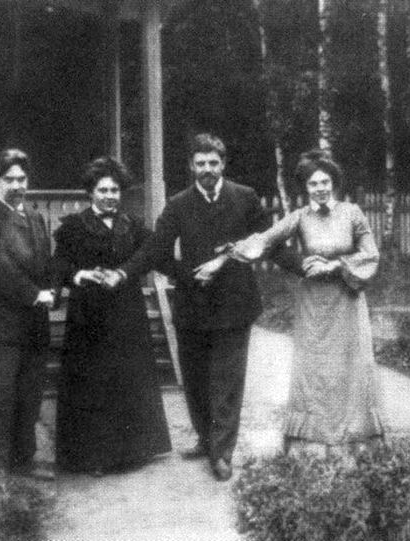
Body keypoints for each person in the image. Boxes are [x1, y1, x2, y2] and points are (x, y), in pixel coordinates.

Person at [106, 133, 289, 481]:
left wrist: (303, 266)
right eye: (201, 163)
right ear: (191, 166)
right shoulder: (178, 204)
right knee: (195, 381)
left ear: (223, 164)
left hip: (235, 304)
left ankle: (222, 452)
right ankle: (206, 439)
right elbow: (155, 250)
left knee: (226, 382)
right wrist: (128, 272)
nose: (207, 169)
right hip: (193, 306)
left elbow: (269, 242)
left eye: (213, 163)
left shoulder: (245, 197)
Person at [231, 149, 385, 454]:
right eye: (314, 183)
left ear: (334, 182)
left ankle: (354, 439)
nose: (320, 188)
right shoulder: (300, 217)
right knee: (315, 366)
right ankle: (312, 443)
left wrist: (336, 265)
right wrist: (234, 250)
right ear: (305, 187)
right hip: (313, 304)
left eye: (325, 182)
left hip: (347, 298)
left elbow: (370, 254)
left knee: (350, 364)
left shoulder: (352, 213)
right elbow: (266, 239)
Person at [51, 157, 171, 476]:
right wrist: (79, 275)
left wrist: (124, 272)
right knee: (92, 382)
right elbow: (59, 265)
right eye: (103, 190)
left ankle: (131, 452)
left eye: (114, 190)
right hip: (88, 317)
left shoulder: (132, 225)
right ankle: (93, 456)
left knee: (127, 377)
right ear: (90, 193)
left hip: (126, 313)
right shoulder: (73, 227)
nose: (109, 196)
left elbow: (152, 252)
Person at [0, 148, 55, 480]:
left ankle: (22, 458)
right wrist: (34, 294)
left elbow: (45, 263)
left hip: (33, 325)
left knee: (29, 395)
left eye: (22, 178)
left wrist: (53, 288)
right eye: (9, 179)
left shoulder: (34, 217)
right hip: (1, 326)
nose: (18, 185)